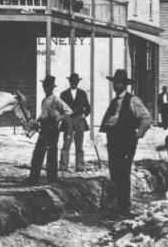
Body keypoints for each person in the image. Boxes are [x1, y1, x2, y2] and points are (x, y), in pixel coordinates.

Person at [98, 68, 153, 217]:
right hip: (113, 140)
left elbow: (147, 118)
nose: (117, 85)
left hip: (126, 141)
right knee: (114, 171)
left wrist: (138, 133)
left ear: (125, 84)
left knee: (123, 171)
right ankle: (118, 204)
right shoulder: (114, 102)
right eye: (115, 82)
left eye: (120, 83)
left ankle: (123, 207)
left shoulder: (133, 100)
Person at [29, 74, 70, 185]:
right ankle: (33, 178)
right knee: (38, 153)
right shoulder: (43, 101)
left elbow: (68, 111)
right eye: (44, 86)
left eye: (47, 86)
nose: (45, 88)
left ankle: (52, 180)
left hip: (53, 129)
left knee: (52, 154)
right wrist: (36, 121)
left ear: (51, 88)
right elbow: (42, 114)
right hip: (43, 128)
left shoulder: (56, 100)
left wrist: (59, 118)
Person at [59, 72, 91, 173]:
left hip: (79, 120)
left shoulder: (82, 93)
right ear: (69, 82)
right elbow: (60, 108)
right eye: (72, 81)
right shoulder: (64, 94)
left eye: (75, 82)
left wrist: (84, 115)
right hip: (68, 120)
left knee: (79, 144)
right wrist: (64, 118)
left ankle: (80, 166)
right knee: (66, 144)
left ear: (78, 82)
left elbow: (88, 108)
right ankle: (63, 166)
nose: (74, 83)